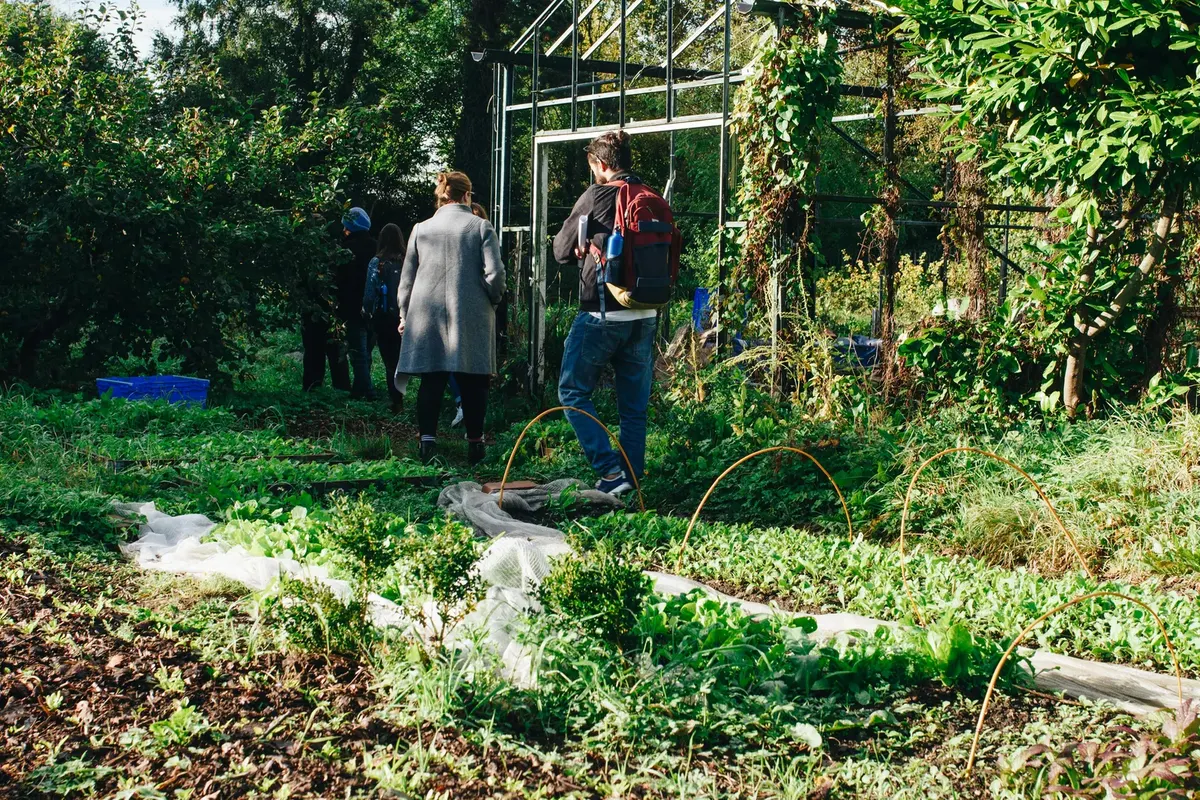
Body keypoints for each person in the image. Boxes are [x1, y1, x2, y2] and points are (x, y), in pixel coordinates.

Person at [551, 130, 655, 497]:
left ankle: (611, 472)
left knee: (572, 390)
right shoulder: (650, 195)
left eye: (594, 166)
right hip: (644, 313)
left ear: (603, 164)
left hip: (601, 313)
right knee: (633, 409)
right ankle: (632, 481)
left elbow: (561, 251)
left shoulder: (598, 195)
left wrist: (583, 242)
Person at [396, 172, 505, 465]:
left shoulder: (421, 229)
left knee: (431, 379)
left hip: (427, 313)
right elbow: (494, 274)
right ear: (467, 195)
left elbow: (407, 278)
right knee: (474, 379)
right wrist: (492, 299)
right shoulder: (481, 227)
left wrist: (404, 313)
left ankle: (427, 443)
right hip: (470, 312)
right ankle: (475, 443)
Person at [362, 223, 410, 413]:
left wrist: (366, 311)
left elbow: (369, 292)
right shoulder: (407, 261)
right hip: (407, 316)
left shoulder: (377, 262)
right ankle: (402, 393)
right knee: (402, 359)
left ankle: (396, 401)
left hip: (384, 318)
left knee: (390, 361)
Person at [338, 206, 378, 400]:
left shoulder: (345, 250)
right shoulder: (376, 246)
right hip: (375, 306)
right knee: (367, 351)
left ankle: (365, 390)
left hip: (352, 305)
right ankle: (362, 387)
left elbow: (340, 280)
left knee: (357, 352)